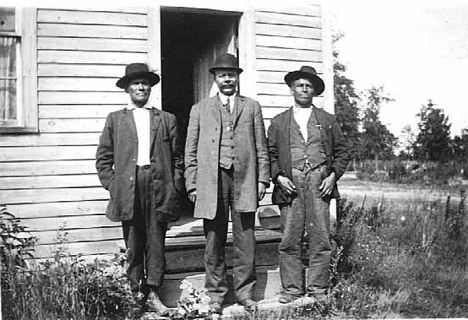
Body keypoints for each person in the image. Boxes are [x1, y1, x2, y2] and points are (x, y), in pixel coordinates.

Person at [184, 53, 270, 314]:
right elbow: (189, 150)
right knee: (213, 238)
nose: (227, 79)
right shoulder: (199, 109)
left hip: (244, 179)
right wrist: (192, 184)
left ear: (237, 77)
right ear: (215, 79)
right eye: (222, 75)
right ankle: (216, 295)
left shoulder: (251, 106)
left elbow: (261, 147)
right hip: (212, 181)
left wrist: (262, 179)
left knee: (245, 238)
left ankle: (245, 293)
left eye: (231, 74)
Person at [96, 62, 184, 313]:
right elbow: (103, 158)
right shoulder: (116, 119)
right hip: (129, 187)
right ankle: (135, 294)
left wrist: (174, 186)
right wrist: (113, 186)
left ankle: (154, 292)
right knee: (134, 242)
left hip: (159, 185)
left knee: (156, 242)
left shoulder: (166, 119)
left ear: (151, 88)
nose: (141, 87)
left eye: (145, 83)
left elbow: (178, 158)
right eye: (135, 83)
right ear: (127, 88)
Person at [267, 66, 349, 303]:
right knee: (290, 238)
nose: (304, 89)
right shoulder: (279, 121)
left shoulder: (327, 120)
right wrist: (278, 177)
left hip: (318, 182)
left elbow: (343, 152)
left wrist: (332, 176)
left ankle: (318, 289)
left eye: (308, 85)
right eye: (300, 85)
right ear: (292, 89)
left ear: (314, 91)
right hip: (290, 185)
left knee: (320, 238)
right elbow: (270, 153)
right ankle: (292, 289)